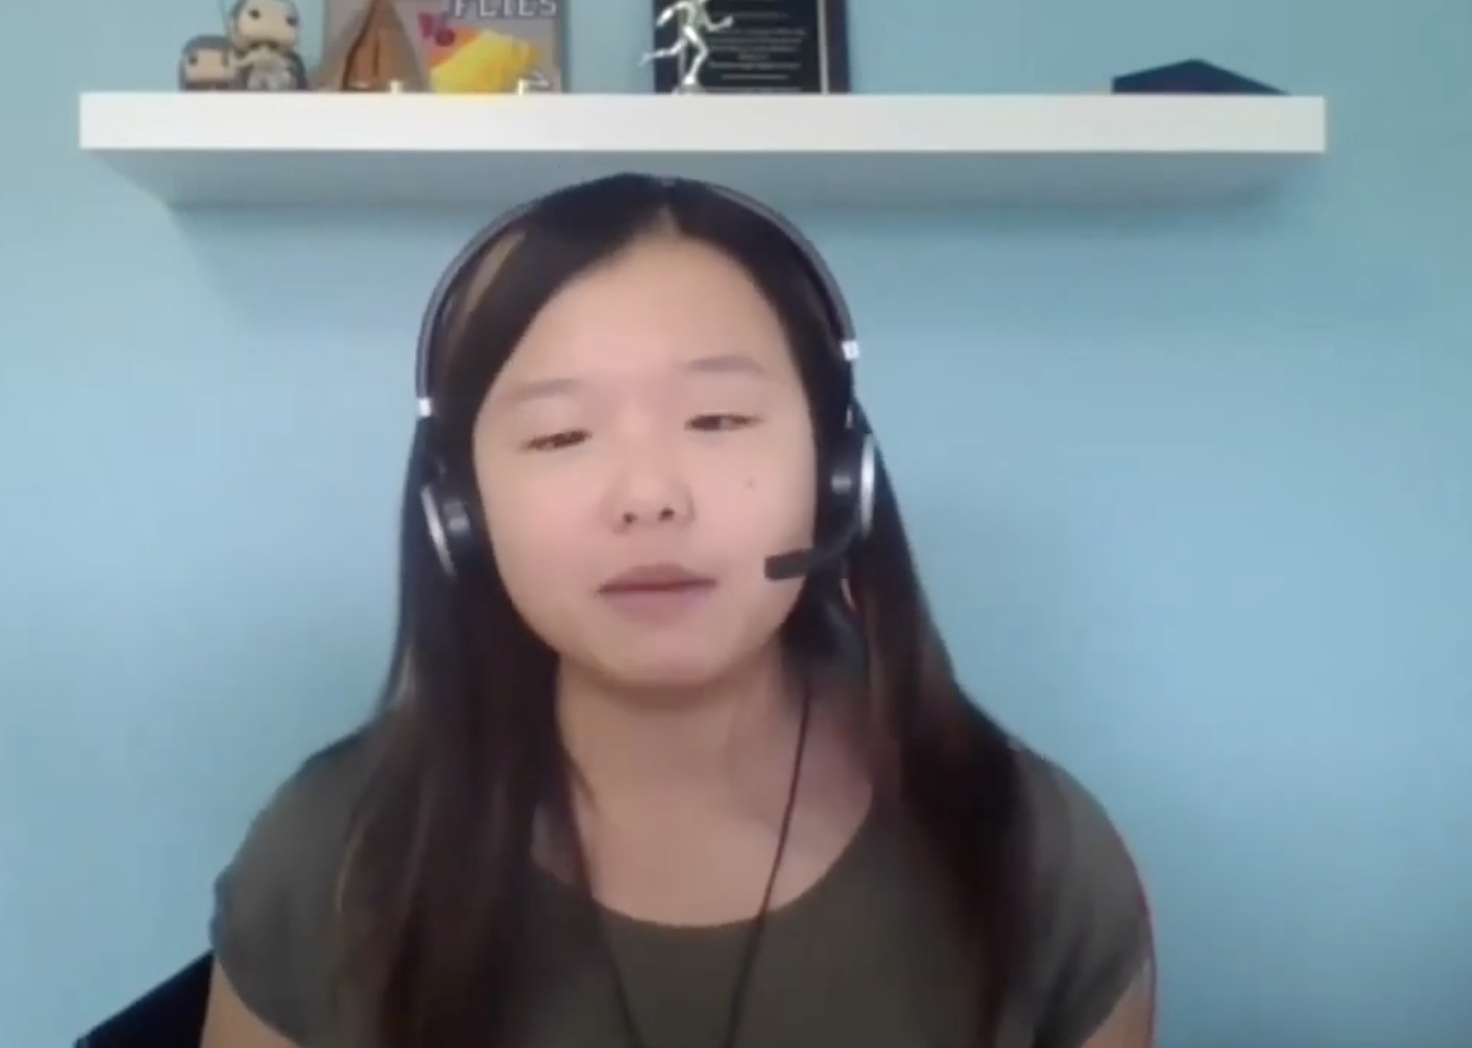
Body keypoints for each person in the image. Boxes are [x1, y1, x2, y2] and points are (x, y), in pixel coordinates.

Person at [198, 174, 1155, 1048]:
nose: (650, 496)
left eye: (719, 421)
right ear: (461, 513)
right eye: (561, 433)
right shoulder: (329, 855)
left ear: (837, 476)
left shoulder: (1036, 854)